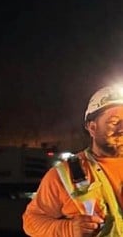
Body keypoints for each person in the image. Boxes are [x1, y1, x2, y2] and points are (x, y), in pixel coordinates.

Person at [22, 84, 123, 236]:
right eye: (114, 122)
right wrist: (68, 229)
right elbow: (32, 222)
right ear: (92, 127)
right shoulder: (66, 174)